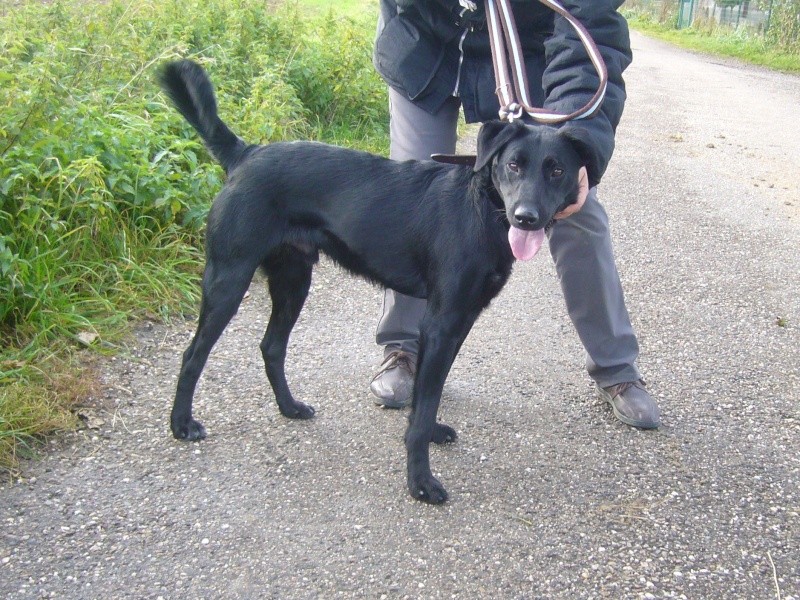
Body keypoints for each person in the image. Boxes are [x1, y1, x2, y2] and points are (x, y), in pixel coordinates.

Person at [368, 0, 660, 429]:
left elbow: (589, 25)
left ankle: (616, 369)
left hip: (535, 53)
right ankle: (404, 349)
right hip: (424, 42)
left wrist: (581, 138)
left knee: (574, 205)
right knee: (414, 198)